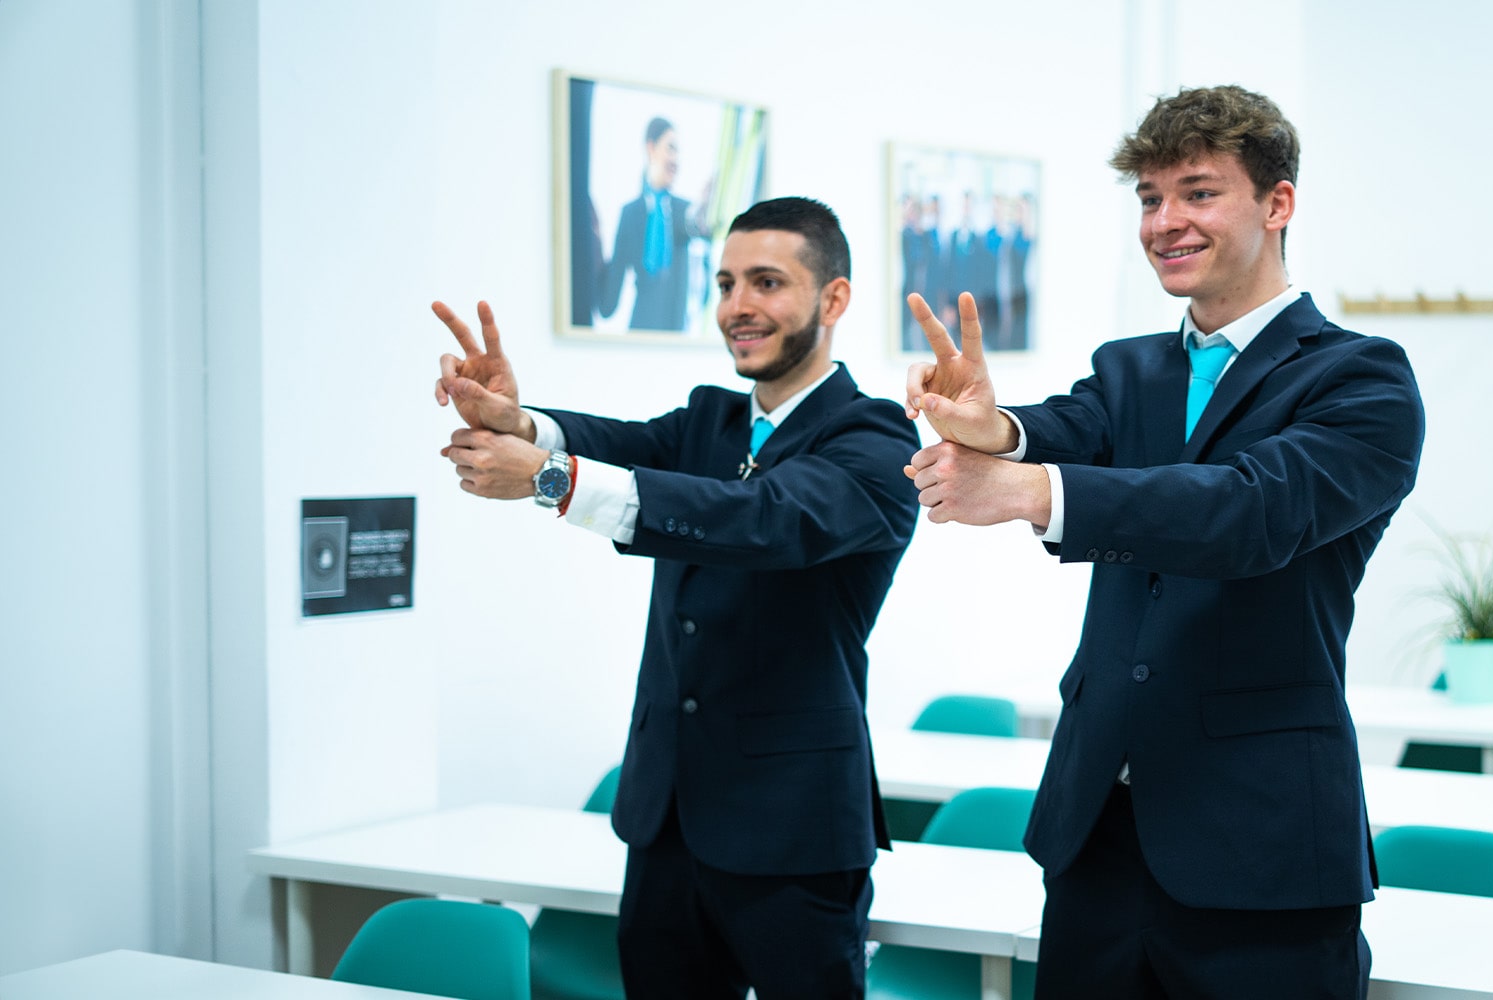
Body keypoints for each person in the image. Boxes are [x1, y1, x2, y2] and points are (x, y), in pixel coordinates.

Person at [901, 85, 1425, 998]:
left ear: (1278, 202)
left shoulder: (1362, 379)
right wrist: (992, 431)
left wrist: (1026, 489)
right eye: (1149, 198)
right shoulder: (1129, 366)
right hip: (1096, 834)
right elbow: (1064, 431)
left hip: (1260, 846)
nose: (1164, 222)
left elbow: (1245, 512)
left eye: (1197, 191)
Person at [434, 196, 919, 998]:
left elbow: (761, 521)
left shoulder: (873, 439)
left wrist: (552, 480)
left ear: (833, 300)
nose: (739, 307)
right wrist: (519, 423)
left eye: (767, 282)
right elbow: (620, 447)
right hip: (667, 821)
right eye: (726, 283)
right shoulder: (710, 421)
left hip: (792, 828)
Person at [597, 116, 708, 331]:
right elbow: (608, 304)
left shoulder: (686, 211)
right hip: (640, 330)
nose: (676, 159)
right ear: (651, 148)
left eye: (678, 152)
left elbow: (699, 231)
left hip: (678, 333)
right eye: (671, 148)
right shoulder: (630, 214)